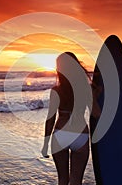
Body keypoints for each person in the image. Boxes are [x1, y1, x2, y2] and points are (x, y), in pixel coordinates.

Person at [41, 52, 100, 185]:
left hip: (60, 135)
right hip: (80, 135)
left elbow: (50, 119)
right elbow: (96, 114)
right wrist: (95, 97)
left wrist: (45, 144)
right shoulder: (86, 89)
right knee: (76, 181)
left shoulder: (56, 90)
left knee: (62, 180)